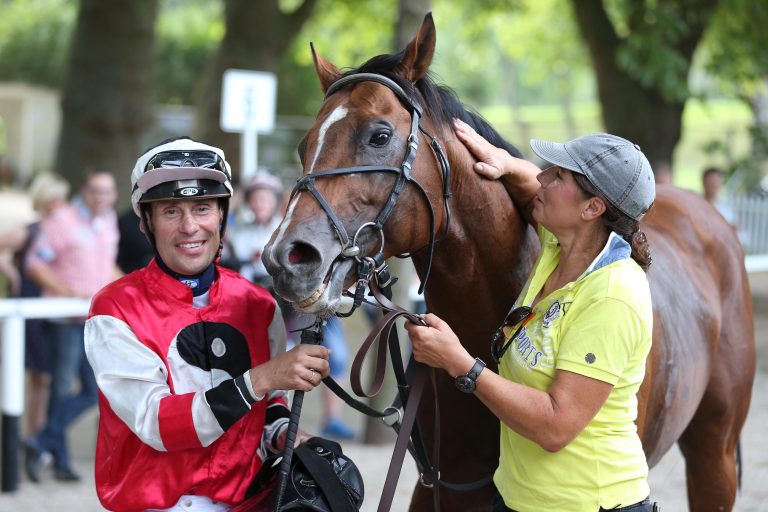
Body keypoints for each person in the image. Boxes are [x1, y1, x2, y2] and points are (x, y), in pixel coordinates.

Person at [405, 120, 657, 512]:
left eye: (557, 176)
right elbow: (528, 184)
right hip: (519, 500)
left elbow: (556, 426)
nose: (540, 176)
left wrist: (459, 363)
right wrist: (505, 161)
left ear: (592, 208)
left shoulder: (614, 294)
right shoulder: (559, 247)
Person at [83, 137, 331, 512]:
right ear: (145, 223)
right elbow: (158, 424)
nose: (189, 226)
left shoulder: (259, 305)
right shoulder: (114, 309)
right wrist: (262, 377)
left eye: (202, 208)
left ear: (222, 217)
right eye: (170, 211)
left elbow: (267, 404)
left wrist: (284, 434)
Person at [226, 172, 356, 440]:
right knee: (273, 357)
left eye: (265, 198)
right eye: (255, 198)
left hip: (301, 304)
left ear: (275, 201)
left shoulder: (288, 229)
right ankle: (272, 418)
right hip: (264, 306)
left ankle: (332, 417)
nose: (260, 203)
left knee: (336, 355)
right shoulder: (238, 233)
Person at [24, 168, 120, 483]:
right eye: (95, 191)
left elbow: (106, 266)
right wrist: (68, 292)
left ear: (114, 195)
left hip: (94, 319)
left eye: (106, 192)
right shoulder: (63, 221)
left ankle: (40, 441)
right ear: (85, 190)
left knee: (93, 390)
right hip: (64, 318)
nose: (100, 197)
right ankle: (60, 460)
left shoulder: (107, 222)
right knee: (62, 386)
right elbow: (34, 263)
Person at [0, 173, 70, 436]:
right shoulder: (30, 230)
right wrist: (12, 272)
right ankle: (32, 434)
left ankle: (39, 436)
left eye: (61, 199)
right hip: (31, 306)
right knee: (39, 374)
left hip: (54, 306)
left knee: (48, 376)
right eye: (53, 199)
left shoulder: (64, 230)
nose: (58, 205)